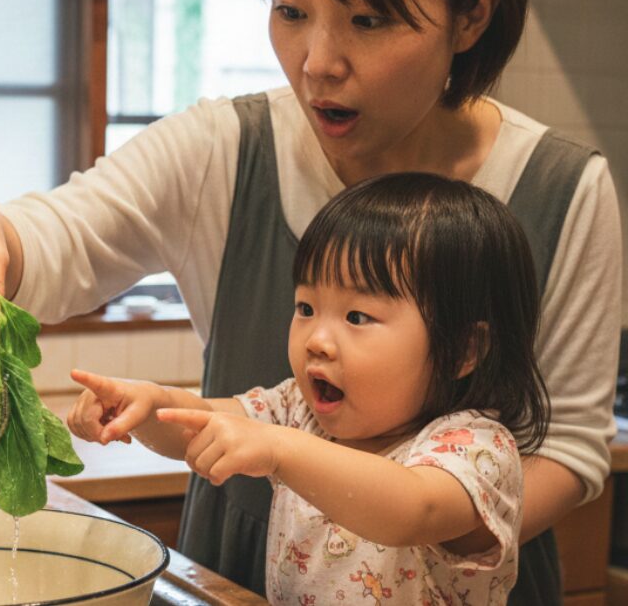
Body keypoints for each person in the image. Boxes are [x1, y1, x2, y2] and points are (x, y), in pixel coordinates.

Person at [0, 0, 621, 602]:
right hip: (239, 570)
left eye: (368, 19)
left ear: (473, 13)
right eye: (293, 9)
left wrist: (369, 505)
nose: (317, 63)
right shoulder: (224, 149)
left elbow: (563, 453)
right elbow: (63, 236)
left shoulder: (563, 192)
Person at [67, 173, 549, 604]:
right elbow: (200, 425)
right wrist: (148, 406)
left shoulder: (477, 448)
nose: (317, 340)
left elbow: (413, 507)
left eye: (357, 317)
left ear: (463, 349)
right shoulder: (300, 412)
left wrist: (280, 448)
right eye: (306, 308)